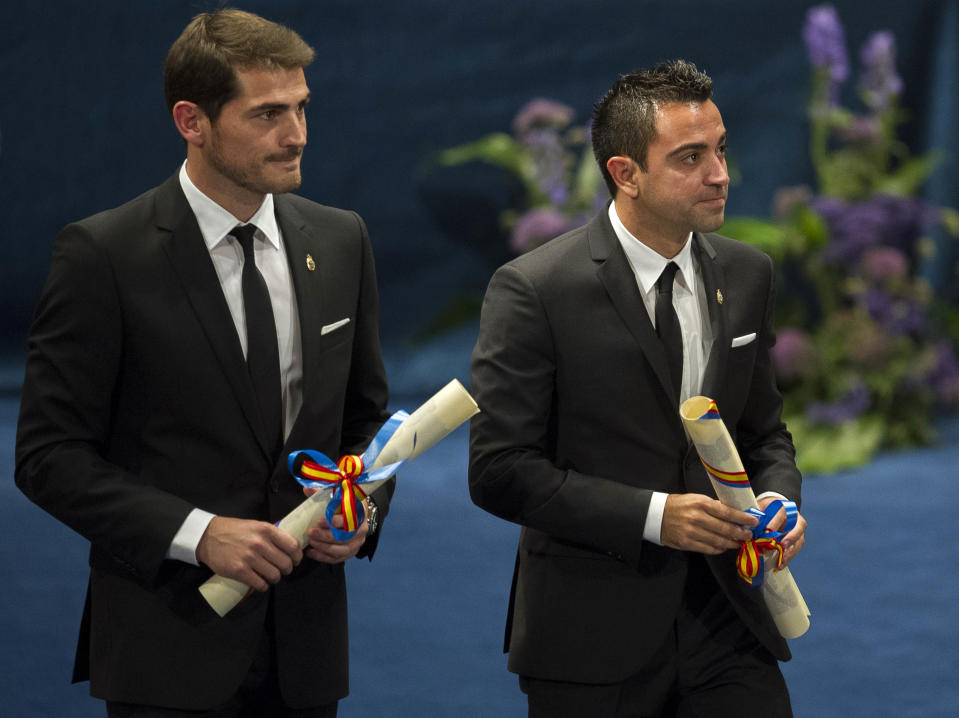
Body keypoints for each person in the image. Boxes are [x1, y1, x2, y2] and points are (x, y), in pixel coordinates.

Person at [15, 9, 393, 717]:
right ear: (191, 121)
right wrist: (198, 534)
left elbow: (365, 418)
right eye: (268, 114)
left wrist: (361, 508)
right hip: (166, 646)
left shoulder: (342, 241)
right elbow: (48, 456)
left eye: (303, 108)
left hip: (305, 652)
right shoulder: (103, 256)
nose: (297, 135)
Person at [468, 60, 807, 717]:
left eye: (719, 149)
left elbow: (763, 432)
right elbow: (499, 470)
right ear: (625, 174)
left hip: (730, 624)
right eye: (689, 157)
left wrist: (777, 498)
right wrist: (655, 517)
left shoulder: (747, 274)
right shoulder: (534, 289)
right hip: (589, 635)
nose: (719, 174)